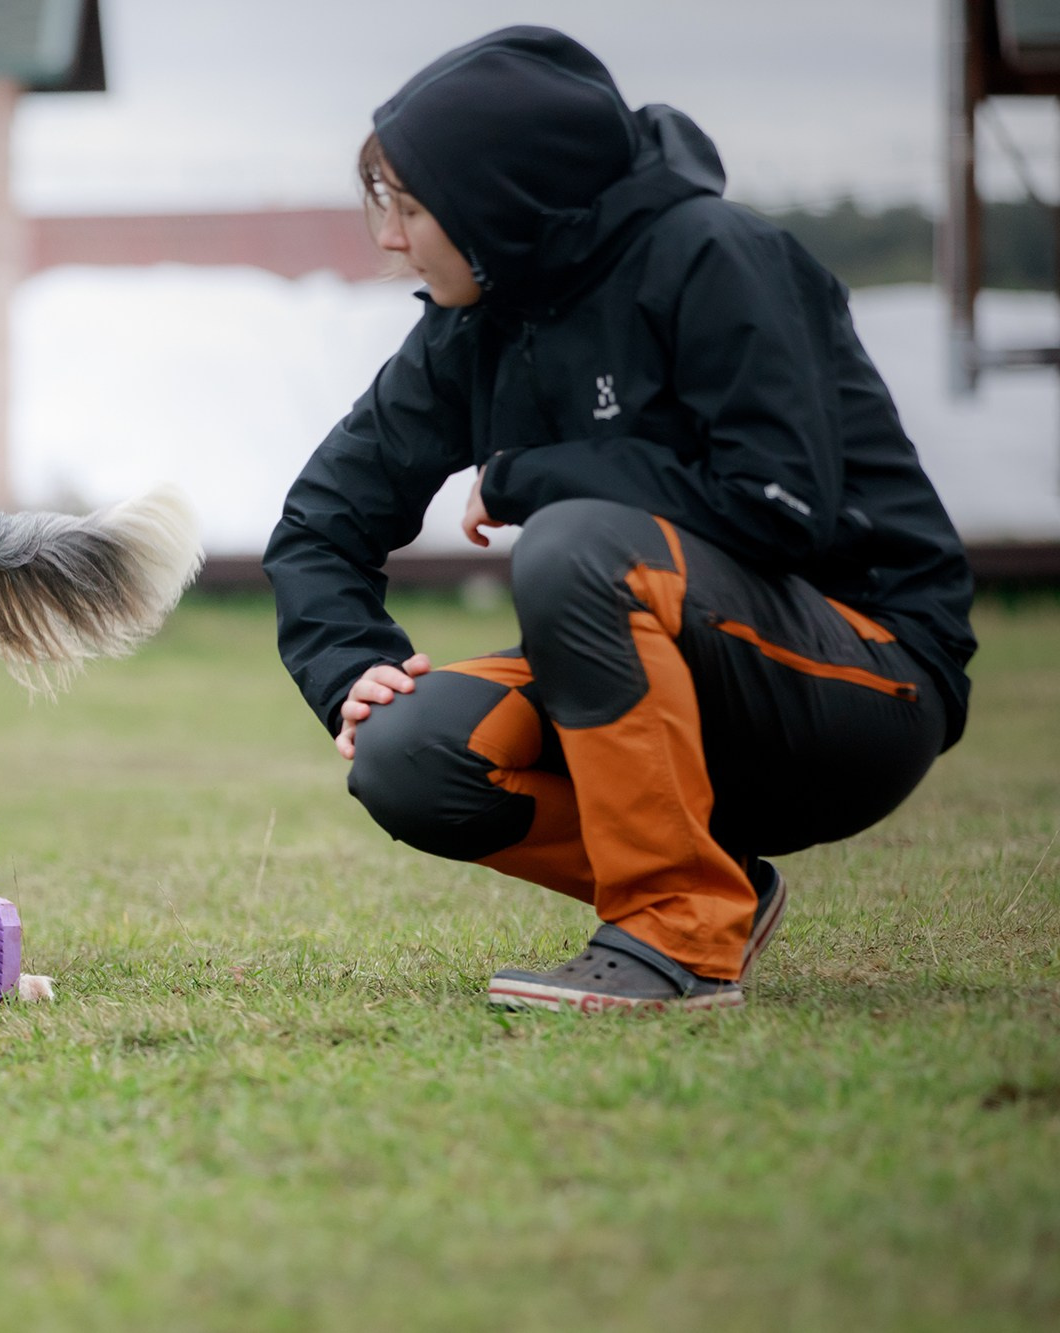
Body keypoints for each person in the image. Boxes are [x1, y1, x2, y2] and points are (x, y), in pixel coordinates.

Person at [264, 27, 976, 1012]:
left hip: (865, 684)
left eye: (411, 208)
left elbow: (779, 508)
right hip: (665, 688)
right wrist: (346, 664)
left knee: (573, 540)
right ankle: (716, 884)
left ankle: (675, 934)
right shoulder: (471, 321)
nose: (389, 238)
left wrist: (531, 477)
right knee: (405, 751)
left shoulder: (715, 254)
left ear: (496, 202)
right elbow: (318, 522)